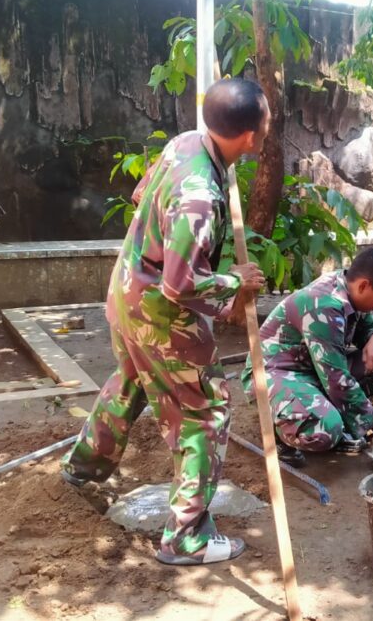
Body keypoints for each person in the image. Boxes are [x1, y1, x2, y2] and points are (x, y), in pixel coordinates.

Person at [60, 78, 269, 566]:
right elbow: (180, 284)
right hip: (161, 312)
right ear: (250, 136)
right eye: (265, 125)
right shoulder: (202, 200)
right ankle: (186, 538)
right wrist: (234, 280)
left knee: (133, 378)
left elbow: (140, 196)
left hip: (126, 292)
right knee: (205, 411)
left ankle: (83, 466)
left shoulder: (184, 144)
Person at [244, 247, 373, 467]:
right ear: (363, 286)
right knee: (326, 431)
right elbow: (336, 379)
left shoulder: (348, 286)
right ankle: (282, 432)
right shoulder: (324, 306)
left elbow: (366, 324)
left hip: (313, 369)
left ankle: (331, 413)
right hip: (276, 373)